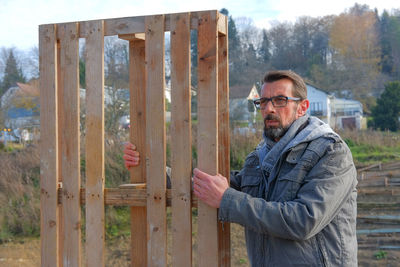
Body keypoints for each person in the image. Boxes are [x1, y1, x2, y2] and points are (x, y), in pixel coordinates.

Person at [124, 70, 358, 266]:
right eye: (263, 102)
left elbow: (304, 220)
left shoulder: (330, 153)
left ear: (302, 107)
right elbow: (209, 185)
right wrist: (148, 167)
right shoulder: (259, 158)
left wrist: (227, 199)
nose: (269, 109)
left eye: (280, 100)